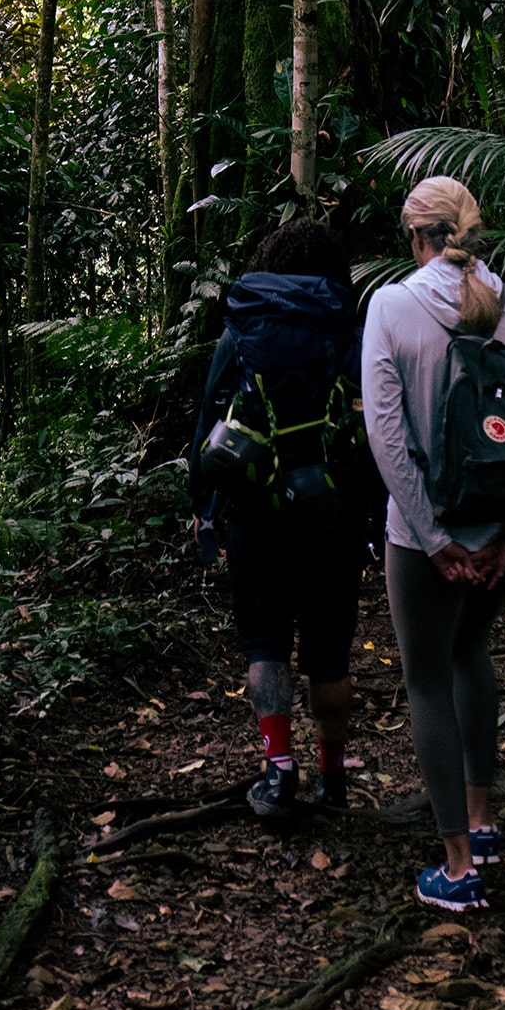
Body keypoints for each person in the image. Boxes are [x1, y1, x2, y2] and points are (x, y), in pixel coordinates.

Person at [361, 175, 505, 911]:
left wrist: (435, 539)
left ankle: (456, 870)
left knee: (425, 680)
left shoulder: (391, 307)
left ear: (416, 237)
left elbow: (386, 436)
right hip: (502, 530)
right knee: (471, 655)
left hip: (425, 539)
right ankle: (483, 824)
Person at [190, 217, 378, 820]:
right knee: (329, 655)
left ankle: (277, 773)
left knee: (264, 640)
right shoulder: (349, 329)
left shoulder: (242, 330)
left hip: (254, 512)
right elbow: (373, 424)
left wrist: (205, 510)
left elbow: (210, 423)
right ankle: (332, 777)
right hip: (335, 515)